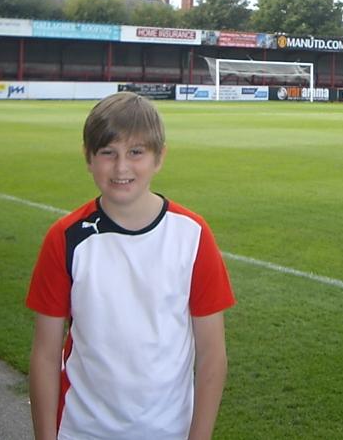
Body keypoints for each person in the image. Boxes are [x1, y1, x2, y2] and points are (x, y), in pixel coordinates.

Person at [26, 92, 236, 440]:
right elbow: (45, 355)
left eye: (136, 152)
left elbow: (212, 354)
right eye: (108, 153)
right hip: (82, 429)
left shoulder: (193, 236)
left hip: (169, 431)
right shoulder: (65, 238)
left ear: (159, 158)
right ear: (89, 158)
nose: (121, 167)